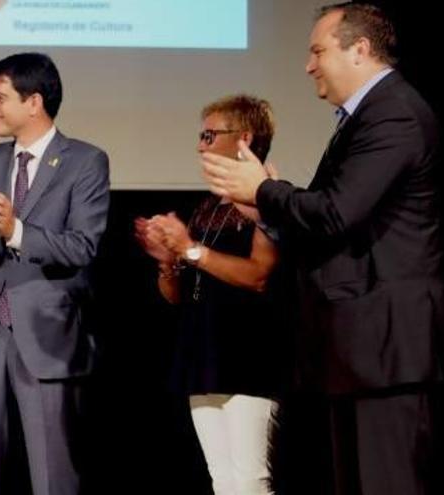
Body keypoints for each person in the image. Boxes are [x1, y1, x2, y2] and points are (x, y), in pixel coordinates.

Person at [201, 4, 444, 494]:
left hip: (389, 348)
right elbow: (325, 220)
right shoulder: (364, 118)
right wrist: (264, 209)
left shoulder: (393, 113)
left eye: (318, 51)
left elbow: (337, 212)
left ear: (359, 50)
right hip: (362, 349)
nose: (308, 65)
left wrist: (265, 192)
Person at [0, 52, 110, 495]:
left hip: (48, 334)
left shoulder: (85, 161)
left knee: (54, 475)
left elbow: (82, 247)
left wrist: (15, 229)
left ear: (34, 102)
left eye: (0, 96)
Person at [136, 95, 284, 495]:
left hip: (248, 356)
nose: (201, 145)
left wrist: (189, 250)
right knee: (222, 479)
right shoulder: (205, 208)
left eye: (209, 135)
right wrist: (168, 262)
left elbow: (259, 276)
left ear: (244, 138)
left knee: (250, 478)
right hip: (203, 355)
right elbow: (176, 297)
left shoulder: (270, 198)